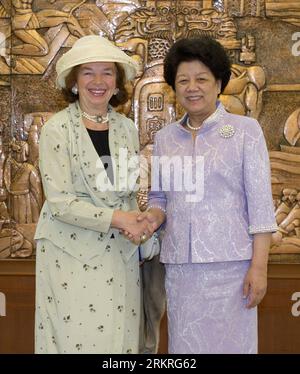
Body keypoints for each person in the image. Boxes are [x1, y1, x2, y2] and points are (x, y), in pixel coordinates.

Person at [139, 36, 277, 354]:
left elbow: (260, 205)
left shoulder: (245, 131)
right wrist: (152, 216)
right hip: (181, 271)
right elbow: (160, 197)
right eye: (183, 80)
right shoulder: (165, 138)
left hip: (234, 271)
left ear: (218, 83)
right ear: (174, 87)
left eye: (201, 79)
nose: (192, 87)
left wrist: (259, 268)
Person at [34, 35, 153, 354]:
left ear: (117, 83)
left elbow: (126, 191)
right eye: (88, 72)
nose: (98, 81)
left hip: (119, 259)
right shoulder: (56, 129)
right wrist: (120, 218)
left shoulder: (126, 128)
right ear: (74, 82)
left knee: (119, 344)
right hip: (69, 258)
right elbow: (60, 203)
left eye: (107, 72)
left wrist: (141, 226)